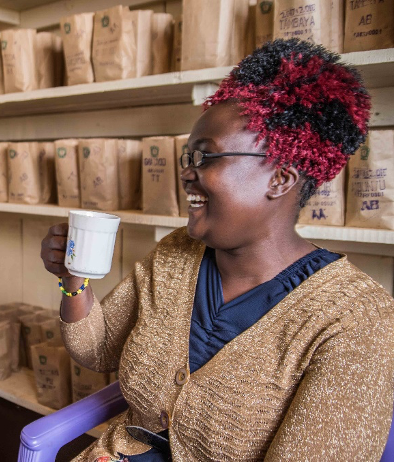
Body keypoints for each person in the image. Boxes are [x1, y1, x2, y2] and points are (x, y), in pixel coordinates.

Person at [41, 39, 394, 461]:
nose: (186, 173)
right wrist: (72, 279)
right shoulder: (176, 254)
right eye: (187, 157)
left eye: (206, 157)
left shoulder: (356, 321)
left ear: (280, 179)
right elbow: (97, 350)